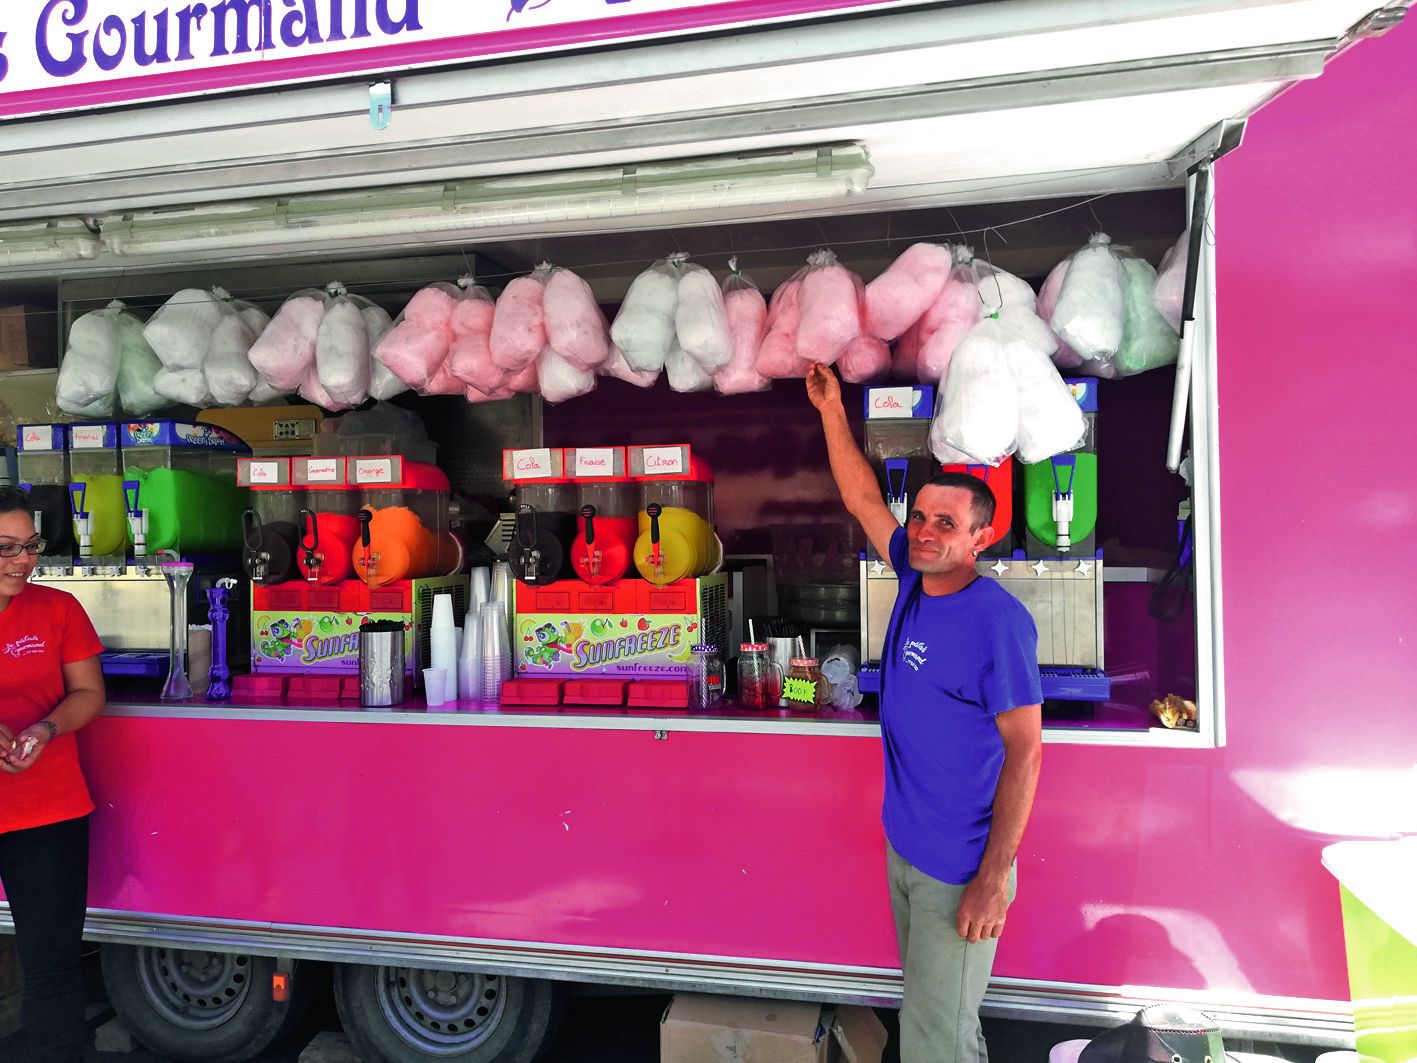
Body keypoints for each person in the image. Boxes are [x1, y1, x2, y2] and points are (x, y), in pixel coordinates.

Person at [806, 364, 1043, 1063]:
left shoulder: (995, 622)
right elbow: (859, 496)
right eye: (919, 517)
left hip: (960, 867)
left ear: (981, 538)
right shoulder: (913, 575)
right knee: (935, 1023)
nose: (926, 530)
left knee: (936, 1043)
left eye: (947, 523)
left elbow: (1026, 751)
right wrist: (829, 410)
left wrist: (992, 877)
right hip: (906, 848)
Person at [0, 486, 107, 1063]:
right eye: (7, 548)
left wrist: (44, 729)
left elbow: (89, 693)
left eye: (30, 546)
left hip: (49, 811)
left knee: (53, 964)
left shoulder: (58, 609)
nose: (23, 561)